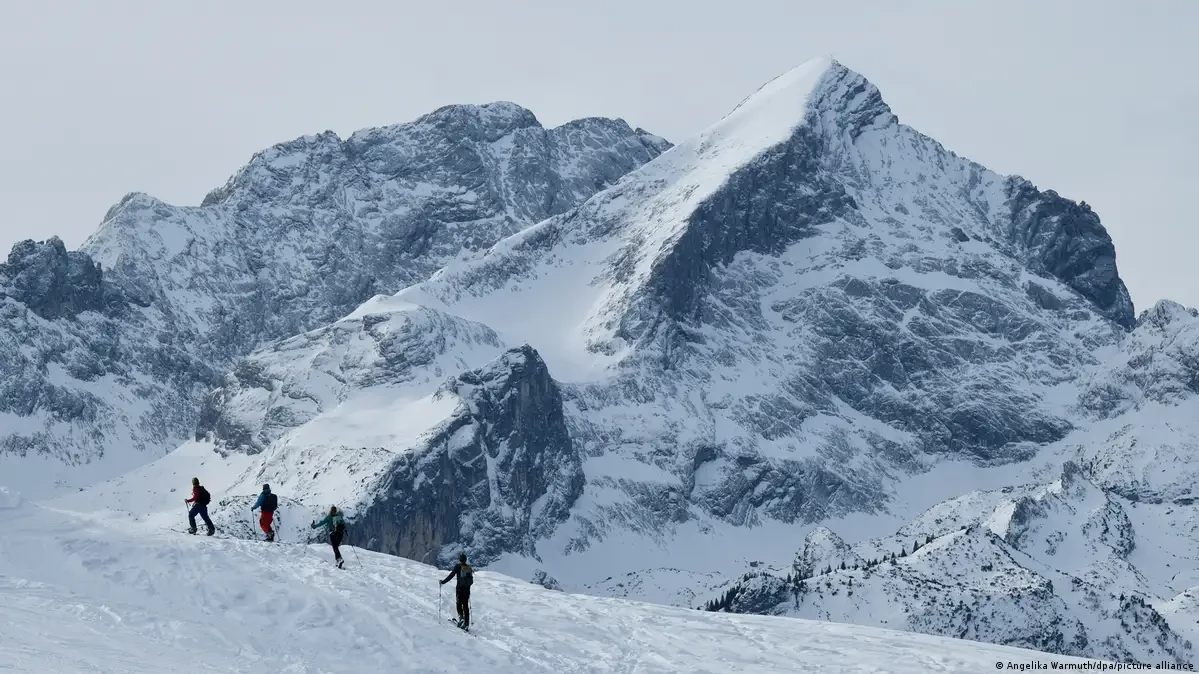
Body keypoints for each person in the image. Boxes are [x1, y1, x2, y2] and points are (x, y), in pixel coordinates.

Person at [440, 552, 474, 629]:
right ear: (465, 559)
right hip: (467, 590)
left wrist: (443, 582)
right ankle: (466, 623)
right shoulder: (469, 568)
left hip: (459, 589)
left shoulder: (457, 566)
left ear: (460, 559)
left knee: (459, 603)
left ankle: (461, 618)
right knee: (465, 605)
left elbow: (451, 575)